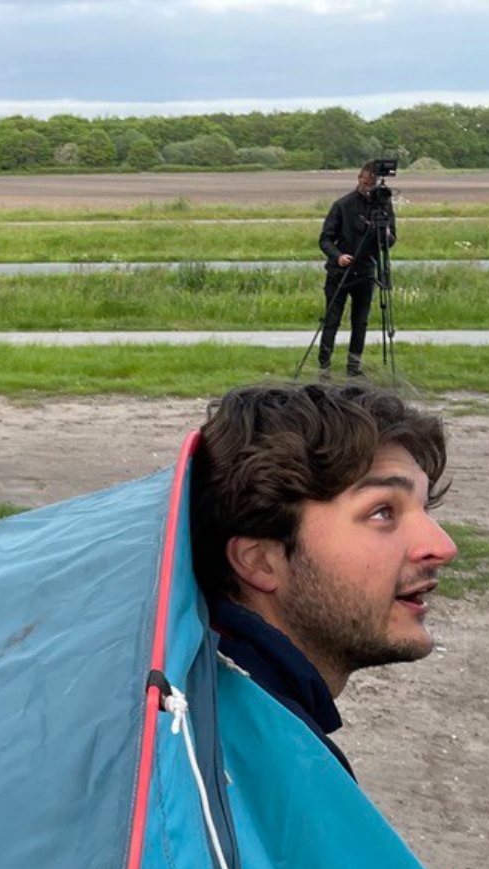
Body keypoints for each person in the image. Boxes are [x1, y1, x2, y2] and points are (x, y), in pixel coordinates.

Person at [190, 382, 458, 776]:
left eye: (425, 506)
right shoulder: (261, 768)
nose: (442, 545)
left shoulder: (205, 692)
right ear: (261, 562)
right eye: (383, 512)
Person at [316, 162, 397, 379]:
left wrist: (385, 233)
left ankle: (354, 367)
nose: (368, 188)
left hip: (366, 270)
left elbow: (390, 241)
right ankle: (324, 367)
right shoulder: (342, 205)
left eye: (371, 185)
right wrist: (338, 256)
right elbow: (325, 239)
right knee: (332, 320)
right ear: (358, 179)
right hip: (339, 272)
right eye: (365, 183)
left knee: (360, 322)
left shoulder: (384, 205)